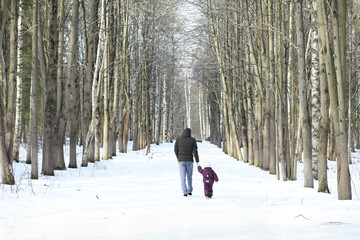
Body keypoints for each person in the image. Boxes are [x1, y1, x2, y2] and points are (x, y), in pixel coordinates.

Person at [174, 128, 199, 197]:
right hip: (189, 161)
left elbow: (175, 150)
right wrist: (197, 161)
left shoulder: (178, 139)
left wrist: (178, 158)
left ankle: (185, 192)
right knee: (189, 176)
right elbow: (195, 151)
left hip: (181, 161)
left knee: (182, 177)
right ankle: (190, 190)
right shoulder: (192, 140)